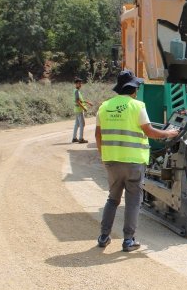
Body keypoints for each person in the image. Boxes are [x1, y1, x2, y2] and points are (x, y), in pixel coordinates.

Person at [95, 70, 179, 251]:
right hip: (133, 162)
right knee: (132, 201)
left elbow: (98, 135)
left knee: (112, 199)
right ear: (133, 89)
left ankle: (103, 237)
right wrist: (169, 133)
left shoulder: (104, 107)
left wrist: (104, 156)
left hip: (112, 161)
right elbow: (150, 132)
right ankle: (128, 241)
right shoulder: (137, 106)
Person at [72, 78, 93, 143]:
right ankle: (81, 139)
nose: (80, 84)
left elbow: (80, 100)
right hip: (79, 110)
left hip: (76, 109)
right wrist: (84, 108)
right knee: (82, 124)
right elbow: (78, 101)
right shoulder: (76, 91)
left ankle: (74, 138)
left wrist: (87, 102)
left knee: (77, 124)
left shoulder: (76, 91)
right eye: (79, 83)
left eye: (80, 83)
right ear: (76, 84)